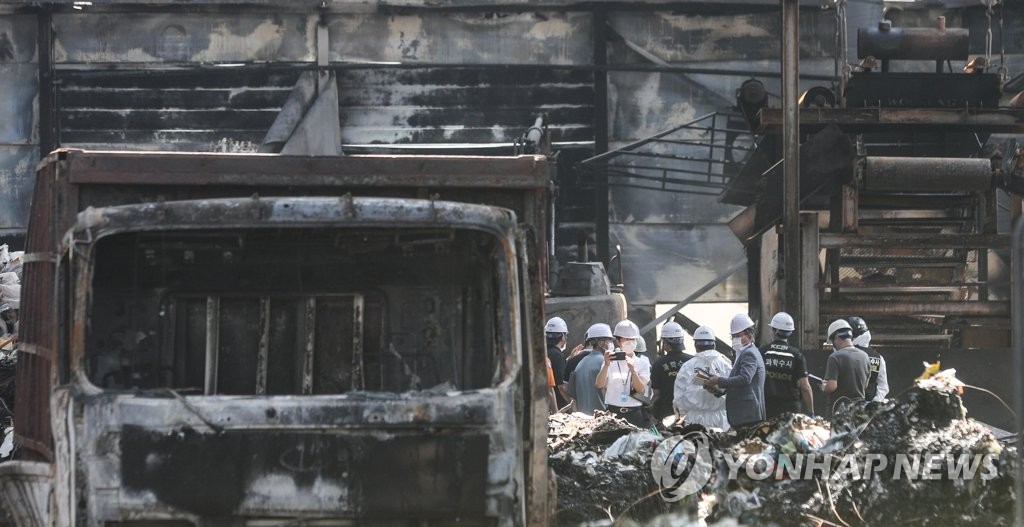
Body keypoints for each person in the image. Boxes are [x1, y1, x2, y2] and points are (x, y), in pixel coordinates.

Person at [703, 313, 765, 429]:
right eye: (733, 336)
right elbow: (740, 384)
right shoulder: (742, 353)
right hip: (744, 414)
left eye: (737, 335)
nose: (735, 339)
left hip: (747, 414)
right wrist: (719, 391)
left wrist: (719, 381)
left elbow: (745, 379)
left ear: (749, 334)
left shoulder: (749, 353)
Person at [673, 325, 731, 430]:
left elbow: (678, 399)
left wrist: (681, 417)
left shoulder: (687, 366)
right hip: (721, 419)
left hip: (694, 419)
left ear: (696, 345)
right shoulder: (726, 365)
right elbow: (734, 393)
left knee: (696, 445)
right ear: (714, 344)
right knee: (722, 445)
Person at [596, 320, 652, 427]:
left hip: (634, 413)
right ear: (618, 341)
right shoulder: (610, 361)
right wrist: (606, 365)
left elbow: (640, 390)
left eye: (633, 339)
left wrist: (633, 370)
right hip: (612, 412)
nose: (630, 342)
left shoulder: (643, 363)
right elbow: (599, 385)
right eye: (626, 339)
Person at [762, 312, 813, 418]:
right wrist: (811, 411)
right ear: (790, 332)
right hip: (791, 409)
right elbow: (805, 387)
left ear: (774, 331)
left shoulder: (762, 352)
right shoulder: (796, 355)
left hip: (768, 408)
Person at [821, 319, 871, 414]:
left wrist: (824, 386)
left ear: (837, 337)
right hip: (859, 411)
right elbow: (865, 385)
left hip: (839, 410)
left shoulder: (835, 357)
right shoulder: (865, 356)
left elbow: (832, 386)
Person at [568, 323, 615, 415]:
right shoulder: (605, 362)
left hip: (584, 419)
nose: (611, 344)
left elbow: (572, 395)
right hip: (602, 418)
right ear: (600, 343)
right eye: (609, 341)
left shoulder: (581, 363)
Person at [649, 322, 691, 422]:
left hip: (666, 415)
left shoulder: (658, 363)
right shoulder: (692, 361)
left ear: (665, 342)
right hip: (689, 413)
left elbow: (656, 393)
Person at [848, 316, 889, 402]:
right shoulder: (878, 358)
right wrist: (873, 404)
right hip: (869, 409)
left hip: (847, 405)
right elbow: (883, 387)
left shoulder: (844, 355)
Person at [544, 316, 570, 408]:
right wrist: (572, 402)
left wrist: (569, 360)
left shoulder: (544, 352)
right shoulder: (557, 356)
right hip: (558, 406)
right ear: (563, 336)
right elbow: (561, 387)